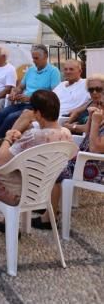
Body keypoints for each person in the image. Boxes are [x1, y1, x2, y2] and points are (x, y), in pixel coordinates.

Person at [0, 90, 76, 248]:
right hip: (41, 191)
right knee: (17, 170)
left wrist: (9, 136)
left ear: (37, 112)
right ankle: (8, 221)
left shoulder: (34, 135)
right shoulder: (67, 134)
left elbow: (1, 160)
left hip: (17, 194)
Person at [0, 44, 61, 160]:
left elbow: (54, 95)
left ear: (45, 57)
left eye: (36, 58)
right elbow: (21, 86)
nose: (34, 61)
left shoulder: (53, 72)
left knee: (10, 118)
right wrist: (15, 92)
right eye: (33, 58)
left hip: (38, 106)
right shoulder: (31, 70)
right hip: (23, 102)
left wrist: (30, 98)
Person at [33, 97, 104, 229]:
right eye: (99, 103)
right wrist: (90, 118)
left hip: (94, 169)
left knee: (53, 168)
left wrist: (95, 121)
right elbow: (88, 134)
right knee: (46, 159)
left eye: (102, 104)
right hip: (82, 161)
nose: (99, 107)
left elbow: (95, 148)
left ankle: (49, 217)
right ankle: (47, 203)